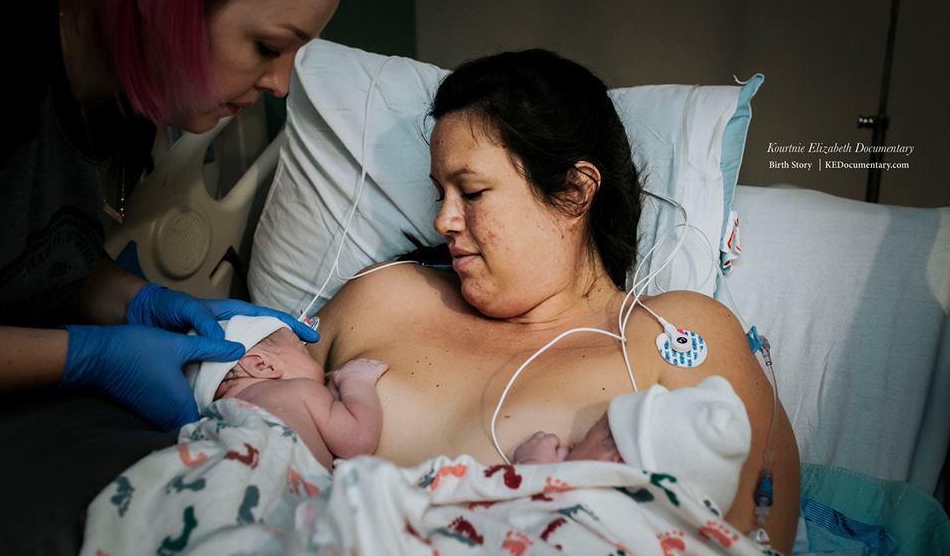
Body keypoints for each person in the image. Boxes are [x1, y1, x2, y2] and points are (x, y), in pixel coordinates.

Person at [308, 49, 801, 553]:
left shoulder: (674, 333)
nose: (442, 221)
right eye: (441, 195)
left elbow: (752, 540)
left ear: (574, 191)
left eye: (471, 193)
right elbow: (262, 419)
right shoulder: (383, 297)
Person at [0, 0, 346, 550]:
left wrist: (140, 301)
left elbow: (29, 253)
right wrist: (85, 355)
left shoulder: (124, 103)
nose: (280, 84)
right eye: (267, 45)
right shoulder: (8, 42)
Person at [513, 375, 752, 516]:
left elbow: (540, 518)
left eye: (580, 443)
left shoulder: (603, 514)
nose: (569, 446)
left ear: (613, 462)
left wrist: (536, 467)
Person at [187, 315, 388, 470]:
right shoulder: (299, 390)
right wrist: (356, 380)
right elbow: (358, 440)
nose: (319, 364)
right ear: (263, 365)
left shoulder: (208, 425)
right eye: (305, 351)